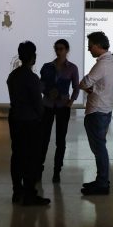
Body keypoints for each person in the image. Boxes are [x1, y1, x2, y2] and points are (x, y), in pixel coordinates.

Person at [6, 41, 50, 206]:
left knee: (17, 155)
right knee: (31, 158)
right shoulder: (31, 78)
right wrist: (42, 116)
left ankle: (17, 192)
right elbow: (37, 104)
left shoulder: (13, 76)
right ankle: (30, 194)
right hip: (30, 122)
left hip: (15, 119)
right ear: (33, 57)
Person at [79, 31, 113, 195]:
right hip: (104, 110)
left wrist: (88, 87)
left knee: (99, 149)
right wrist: (93, 88)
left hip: (96, 110)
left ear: (97, 45)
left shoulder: (102, 64)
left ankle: (102, 183)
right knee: (100, 148)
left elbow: (84, 82)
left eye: (90, 46)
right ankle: (101, 180)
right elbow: (101, 86)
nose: (89, 49)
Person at [39, 39, 80, 183]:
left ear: (67, 50)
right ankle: (39, 167)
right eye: (56, 48)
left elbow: (76, 86)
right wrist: (47, 92)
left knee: (60, 140)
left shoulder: (72, 68)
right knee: (43, 138)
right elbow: (41, 84)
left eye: (61, 48)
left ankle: (57, 170)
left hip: (63, 107)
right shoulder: (46, 67)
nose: (58, 51)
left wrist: (71, 102)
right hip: (48, 105)